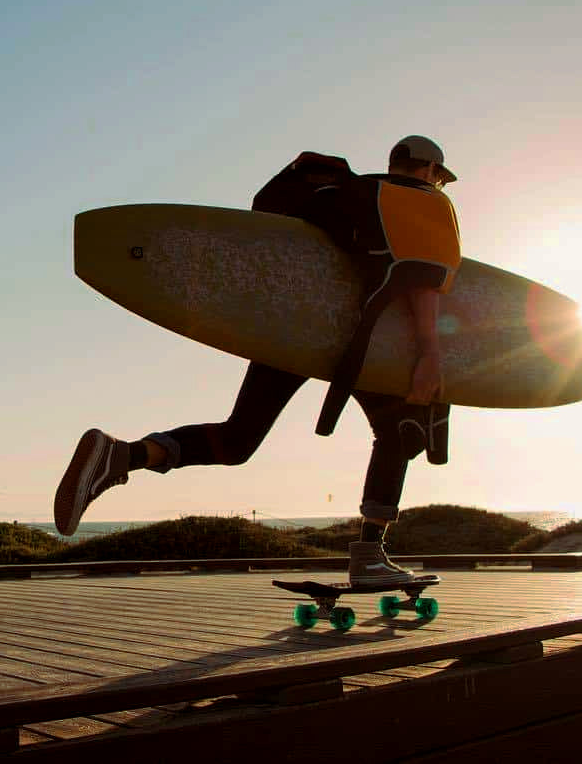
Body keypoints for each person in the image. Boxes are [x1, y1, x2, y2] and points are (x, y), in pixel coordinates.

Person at [54, 136, 460, 587]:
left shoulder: (344, 195)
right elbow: (423, 283)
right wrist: (429, 354)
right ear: (428, 171)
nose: (440, 186)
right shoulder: (424, 203)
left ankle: (120, 456)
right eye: (440, 178)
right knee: (399, 434)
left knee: (238, 440)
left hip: (291, 333)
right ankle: (369, 555)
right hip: (357, 342)